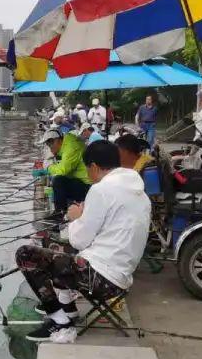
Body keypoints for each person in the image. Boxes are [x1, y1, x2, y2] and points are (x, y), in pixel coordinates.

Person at [17, 140, 152, 342]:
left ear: (94, 167)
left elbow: (79, 240)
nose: (88, 175)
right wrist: (86, 213)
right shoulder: (140, 194)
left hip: (100, 279)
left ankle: (60, 320)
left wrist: (77, 216)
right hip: (122, 278)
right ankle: (69, 310)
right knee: (56, 250)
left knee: (26, 254)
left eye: (88, 169)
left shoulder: (100, 191)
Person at [38, 127, 91, 219]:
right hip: (81, 181)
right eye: (47, 144)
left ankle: (60, 213)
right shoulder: (68, 142)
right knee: (58, 182)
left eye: (50, 143)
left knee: (58, 180)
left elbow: (62, 171)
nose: (49, 147)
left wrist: (49, 166)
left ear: (57, 140)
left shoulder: (71, 147)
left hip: (89, 187)